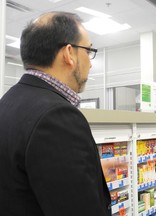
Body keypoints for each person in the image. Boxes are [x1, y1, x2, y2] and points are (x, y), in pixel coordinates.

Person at [0, 12, 111, 216]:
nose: (91, 62)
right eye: (89, 50)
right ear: (69, 53)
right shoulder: (57, 117)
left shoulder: (6, 103)